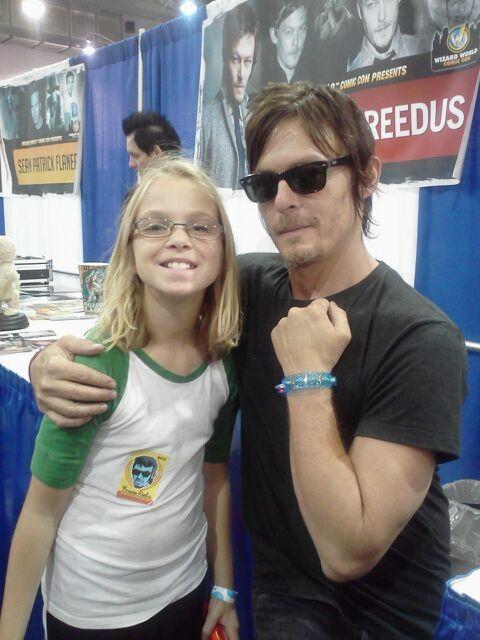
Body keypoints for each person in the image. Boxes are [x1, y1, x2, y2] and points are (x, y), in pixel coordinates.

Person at [28, 82, 466, 639]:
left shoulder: (420, 339)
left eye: (308, 176)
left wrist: (307, 378)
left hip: (377, 614)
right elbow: (143, 308)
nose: (283, 200)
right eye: (264, 184)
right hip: (279, 590)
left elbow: (347, 551)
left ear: (367, 175)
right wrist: (48, 362)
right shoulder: (250, 286)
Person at [0, 158, 240, 640]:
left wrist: (224, 587)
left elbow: (213, 479)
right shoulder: (97, 366)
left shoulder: (222, 362)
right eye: (156, 225)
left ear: (223, 250)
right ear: (130, 248)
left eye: (199, 226)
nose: (179, 238)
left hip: (185, 590)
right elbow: (41, 513)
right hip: (93, 612)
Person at [199, 2, 258, 190]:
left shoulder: (256, 118)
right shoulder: (205, 119)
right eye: (235, 59)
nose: (242, 74)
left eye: (248, 62)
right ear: (224, 57)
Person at [348, 0, 427, 71]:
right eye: (371, 4)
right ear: (359, 10)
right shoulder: (349, 70)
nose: (382, 17)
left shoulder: (425, 50)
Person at [264, 1, 309, 84]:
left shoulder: (317, 79)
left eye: (302, 29)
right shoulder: (261, 83)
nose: (296, 42)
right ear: (274, 35)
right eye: (288, 32)